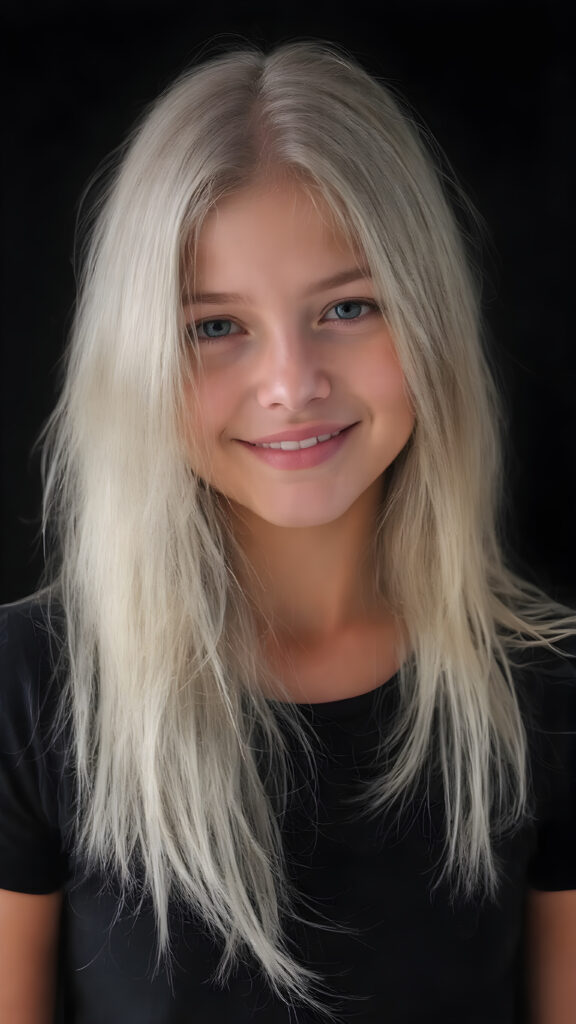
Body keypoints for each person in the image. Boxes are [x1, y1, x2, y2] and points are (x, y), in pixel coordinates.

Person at [1, 38, 575, 1024]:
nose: (291, 383)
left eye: (349, 307)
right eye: (215, 326)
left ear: (430, 318)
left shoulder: (551, 686)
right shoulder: (26, 683)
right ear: (135, 362)